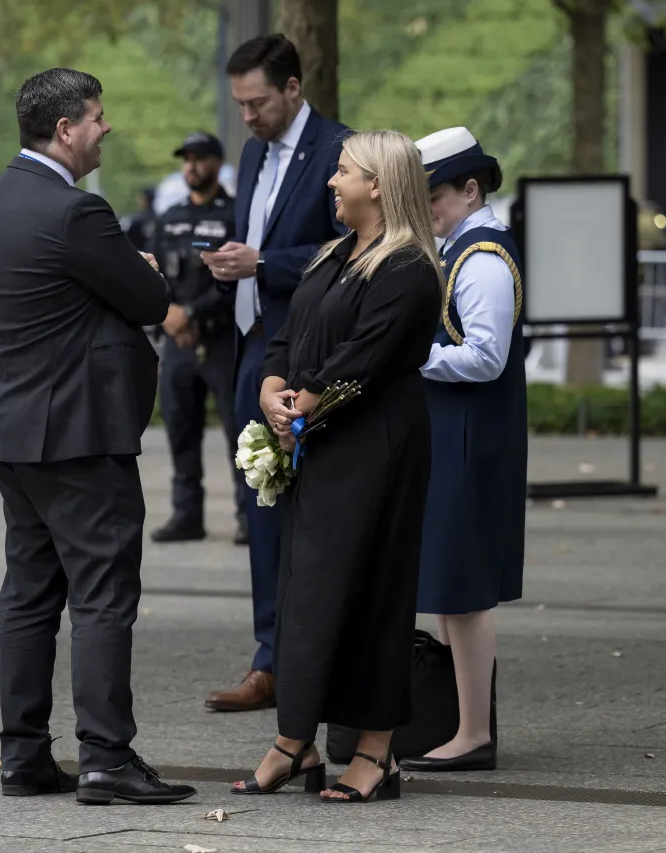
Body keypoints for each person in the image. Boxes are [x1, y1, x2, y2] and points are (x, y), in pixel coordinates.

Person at [0, 68, 195, 805]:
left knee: (29, 593)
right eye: (98, 117)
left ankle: (23, 755)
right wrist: (142, 269)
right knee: (102, 595)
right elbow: (151, 300)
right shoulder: (77, 213)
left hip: (12, 429)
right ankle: (106, 757)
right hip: (79, 432)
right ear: (64, 129)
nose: (106, 127)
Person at [229, 129, 443, 803]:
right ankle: (297, 740)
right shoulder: (332, 253)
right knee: (308, 592)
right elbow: (287, 334)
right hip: (320, 439)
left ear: (376, 185)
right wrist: (272, 386)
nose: (332, 181)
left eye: (344, 172)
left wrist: (301, 407)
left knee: (372, 590)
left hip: (376, 445)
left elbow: (363, 359)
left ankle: (377, 753)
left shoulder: (406, 266)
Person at [201, 33, 349, 713]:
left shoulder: (340, 152)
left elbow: (348, 248)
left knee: (313, 511)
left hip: (309, 355)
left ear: (293, 88)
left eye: (257, 102)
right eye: (239, 105)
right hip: (247, 349)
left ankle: (317, 658)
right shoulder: (254, 152)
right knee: (258, 503)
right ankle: (270, 658)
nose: (247, 118)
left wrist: (264, 263)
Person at [398, 127, 527, 774]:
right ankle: (466, 723)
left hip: (472, 438)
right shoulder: (465, 249)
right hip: (461, 433)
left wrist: (413, 355)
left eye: (436, 196)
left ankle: (474, 731)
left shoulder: (480, 258)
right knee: (454, 587)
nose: (428, 210)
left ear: (471, 189)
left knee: (464, 591)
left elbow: (485, 355)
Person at [148, 131, 245, 545]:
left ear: (217, 162)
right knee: (179, 430)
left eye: (200, 158)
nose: (191, 166)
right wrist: (166, 315)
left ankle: (247, 515)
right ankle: (187, 515)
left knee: (238, 432)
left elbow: (236, 279)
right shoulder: (169, 218)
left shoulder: (234, 215)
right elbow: (149, 273)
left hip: (220, 339)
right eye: (186, 159)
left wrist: (190, 312)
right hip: (177, 343)